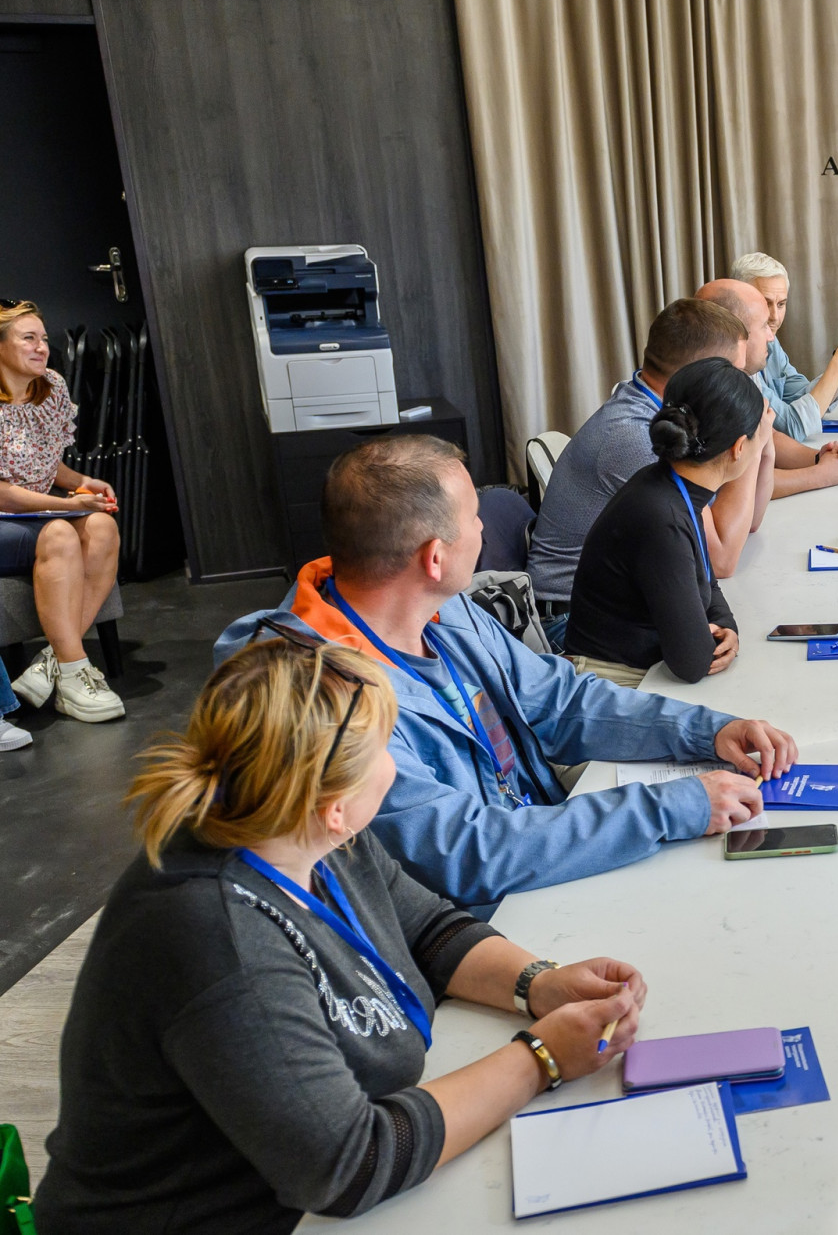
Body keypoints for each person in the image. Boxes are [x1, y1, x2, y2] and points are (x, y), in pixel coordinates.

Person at [35, 637, 647, 1231]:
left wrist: (537, 983)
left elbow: (429, 929)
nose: (395, 764)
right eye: (386, 746)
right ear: (335, 805)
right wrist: (539, 1059)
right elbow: (348, 1166)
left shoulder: (303, 833)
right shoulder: (219, 937)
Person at [216, 434, 797, 913]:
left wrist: (708, 732)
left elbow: (561, 702)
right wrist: (674, 808)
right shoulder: (321, 699)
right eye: (473, 518)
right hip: (490, 917)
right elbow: (470, 854)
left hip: (544, 852)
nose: (484, 532)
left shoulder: (442, 609)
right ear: (434, 558)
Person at [527, 298, 772, 643]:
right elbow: (721, 560)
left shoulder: (661, 413)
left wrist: (758, 444)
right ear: (700, 374)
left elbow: (750, 522)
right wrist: (750, 440)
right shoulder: (640, 437)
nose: (743, 388)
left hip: (624, 597)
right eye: (734, 375)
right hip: (571, 620)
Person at [566, 359, 762, 686]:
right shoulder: (662, 517)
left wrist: (726, 628)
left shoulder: (671, 484)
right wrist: (714, 640)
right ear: (739, 448)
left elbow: (706, 581)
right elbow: (693, 663)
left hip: (640, 669)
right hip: (611, 683)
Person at [0, 300, 122, 721]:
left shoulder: (50, 387)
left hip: (31, 514)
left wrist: (82, 482)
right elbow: (3, 494)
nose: (42, 347)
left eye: (44, 338)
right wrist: (66, 505)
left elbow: (44, 464)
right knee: (59, 532)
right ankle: (74, 673)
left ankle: (53, 661)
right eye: (28, 338)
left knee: (102, 527)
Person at [696, 278, 838, 497]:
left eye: (781, 304)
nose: (771, 335)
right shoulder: (707, 388)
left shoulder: (740, 370)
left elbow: (767, 433)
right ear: (734, 332)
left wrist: (822, 457)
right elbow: (735, 483)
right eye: (764, 325)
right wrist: (821, 473)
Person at [730, 251, 838, 441]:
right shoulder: (733, 358)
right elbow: (794, 427)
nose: (774, 317)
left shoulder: (770, 340)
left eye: (781, 304)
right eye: (765, 303)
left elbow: (809, 400)